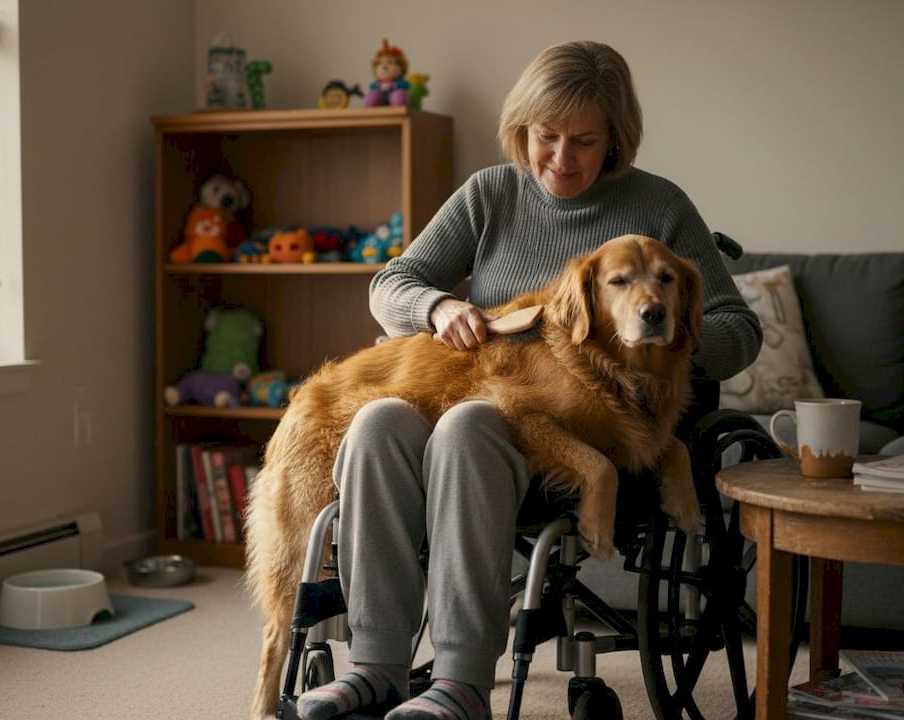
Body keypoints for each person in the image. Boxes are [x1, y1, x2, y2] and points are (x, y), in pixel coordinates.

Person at [296, 40, 761, 720]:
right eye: (546, 137)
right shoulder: (490, 194)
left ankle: (458, 682)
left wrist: (667, 329)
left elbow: (738, 331)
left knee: (468, 423)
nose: (560, 159)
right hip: (482, 399)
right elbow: (391, 283)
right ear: (523, 129)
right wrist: (438, 305)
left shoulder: (659, 208)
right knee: (378, 420)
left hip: (582, 431)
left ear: (615, 141)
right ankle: (378, 667)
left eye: (584, 141)